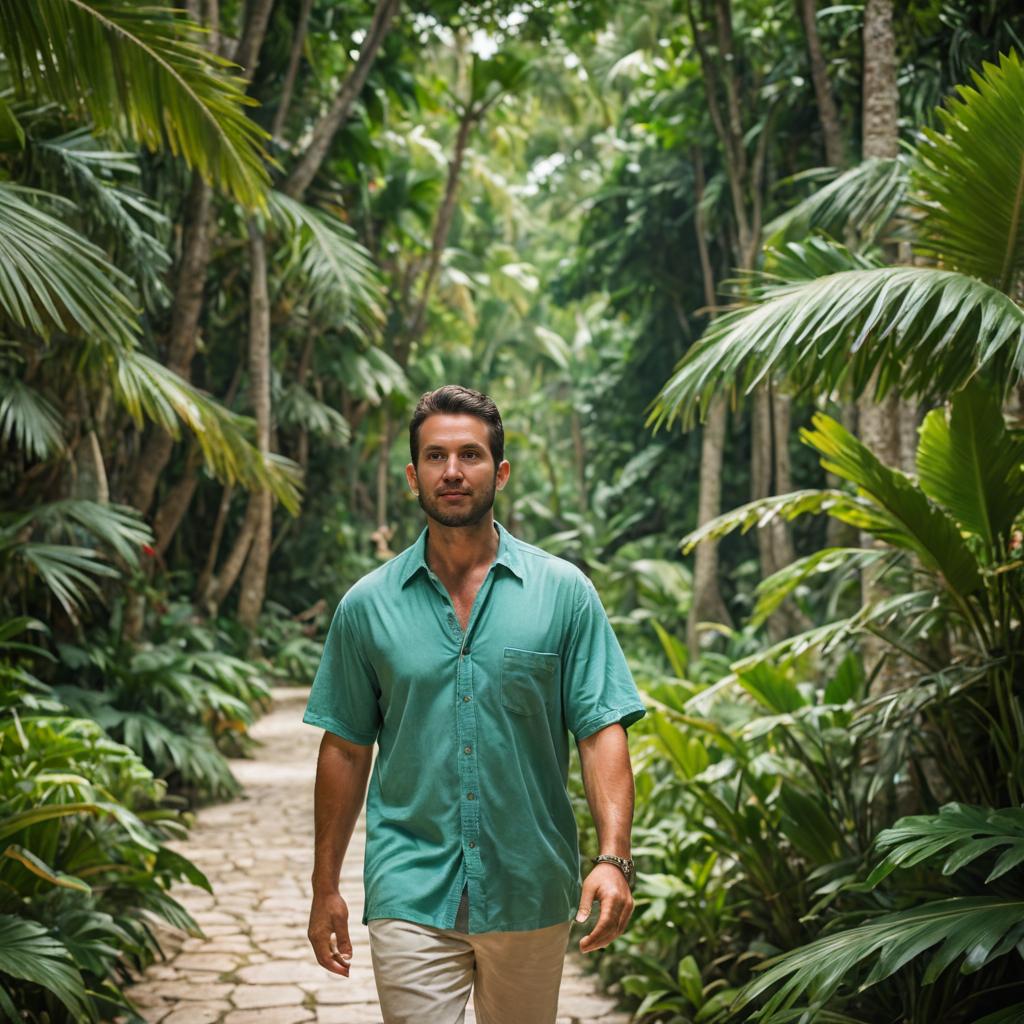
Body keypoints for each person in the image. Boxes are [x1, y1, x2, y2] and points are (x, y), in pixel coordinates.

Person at [303, 385, 646, 1024]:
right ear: (413, 476)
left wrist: (613, 857)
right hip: (411, 886)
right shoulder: (366, 607)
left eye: (470, 455)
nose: (453, 472)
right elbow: (346, 748)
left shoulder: (564, 594)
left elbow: (601, 730)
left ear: (501, 471)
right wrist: (325, 887)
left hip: (529, 885)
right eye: (435, 457)